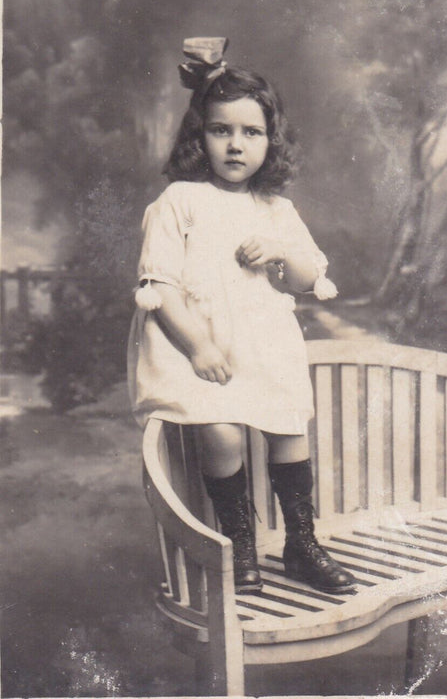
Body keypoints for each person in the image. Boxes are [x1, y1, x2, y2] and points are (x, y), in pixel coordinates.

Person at [128, 37, 355, 596]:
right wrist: (200, 348)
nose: (235, 145)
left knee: (287, 431)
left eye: (251, 133)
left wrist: (282, 253)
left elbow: (307, 278)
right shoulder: (179, 201)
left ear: (269, 142)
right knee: (223, 433)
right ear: (198, 136)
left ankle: (302, 545)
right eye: (220, 130)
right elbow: (161, 287)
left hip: (264, 345)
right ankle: (241, 547)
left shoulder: (277, 210)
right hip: (202, 348)